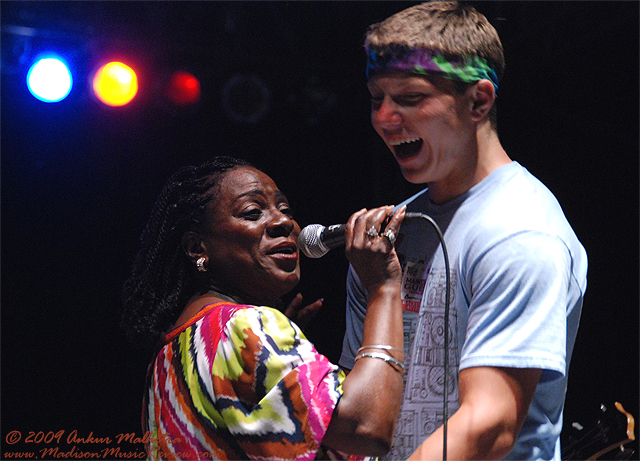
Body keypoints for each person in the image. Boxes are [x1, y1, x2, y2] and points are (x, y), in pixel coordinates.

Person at [339, 2, 588, 460]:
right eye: (377, 99)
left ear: (479, 101)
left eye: (410, 99)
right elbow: (358, 417)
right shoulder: (389, 234)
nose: (384, 119)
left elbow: (489, 424)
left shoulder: (521, 231)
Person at [121, 156, 408, 460]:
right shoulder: (247, 328)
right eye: (252, 212)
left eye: (285, 210)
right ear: (197, 248)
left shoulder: (169, 355)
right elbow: (368, 428)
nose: (284, 222)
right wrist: (383, 287)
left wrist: (278, 361)